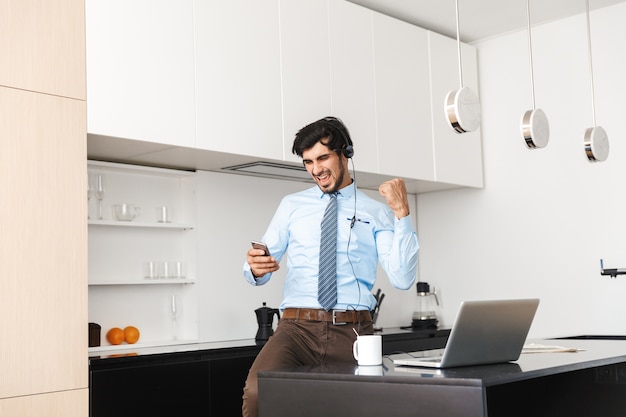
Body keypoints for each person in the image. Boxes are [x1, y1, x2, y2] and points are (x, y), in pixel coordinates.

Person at [241, 116, 419, 417]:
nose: (316, 169)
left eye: (323, 157)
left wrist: (402, 214)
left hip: (352, 332)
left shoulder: (375, 212)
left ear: (345, 154)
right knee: (259, 393)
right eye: (308, 162)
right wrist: (255, 268)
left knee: (350, 408)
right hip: (295, 330)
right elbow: (259, 262)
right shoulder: (291, 206)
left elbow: (402, 278)